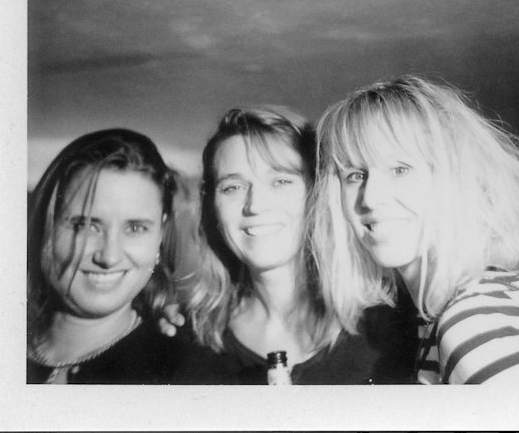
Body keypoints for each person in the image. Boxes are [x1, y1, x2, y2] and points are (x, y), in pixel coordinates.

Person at [310, 75, 519, 385]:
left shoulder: (476, 322)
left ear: (456, 180)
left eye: (400, 169)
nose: (370, 197)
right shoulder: (459, 313)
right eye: (355, 175)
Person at [173, 107, 417, 384]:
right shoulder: (183, 339)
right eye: (233, 187)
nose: (256, 205)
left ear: (318, 193)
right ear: (212, 207)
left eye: (280, 181)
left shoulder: (393, 326)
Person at [27, 128, 215, 384]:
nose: (109, 257)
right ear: (44, 226)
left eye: (135, 228)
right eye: (86, 226)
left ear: (160, 236)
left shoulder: (191, 376)